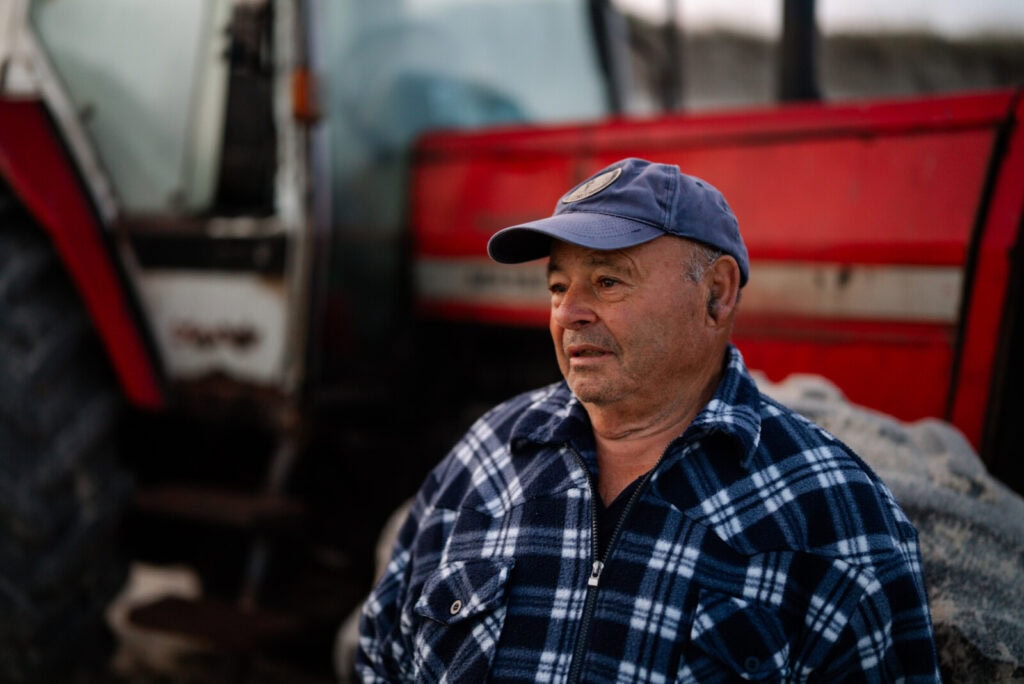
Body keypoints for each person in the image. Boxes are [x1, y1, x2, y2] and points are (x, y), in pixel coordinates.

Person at [356, 158, 941, 682]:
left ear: (716, 294)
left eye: (608, 281)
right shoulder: (486, 455)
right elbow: (380, 657)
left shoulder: (836, 515)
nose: (569, 314)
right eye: (558, 287)